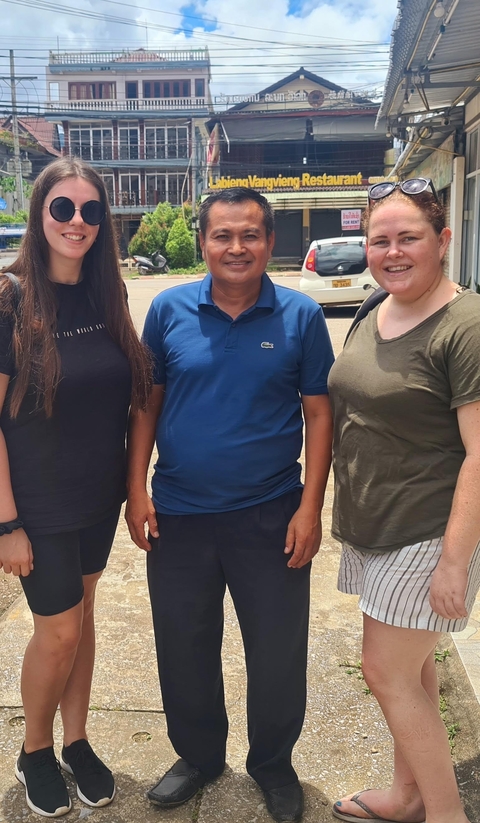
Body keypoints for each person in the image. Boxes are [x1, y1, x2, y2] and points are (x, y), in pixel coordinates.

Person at [126, 187, 334, 823]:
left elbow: (320, 413)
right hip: (180, 514)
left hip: (271, 511)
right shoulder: (166, 310)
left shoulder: (301, 317)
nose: (236, 247)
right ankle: (198, 756)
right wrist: (135, 487)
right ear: (204, 243)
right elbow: (147, 404)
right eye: (222, 235)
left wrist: (310, 507)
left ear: (271, 242)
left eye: (249, 235)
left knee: (275, 649)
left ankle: (272, 763)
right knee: (183, 644)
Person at [0, 157, 151, 818]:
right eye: (64, 208)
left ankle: (77, 739)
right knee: (57, 631)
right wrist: (6, 522)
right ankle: (34, 748)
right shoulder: (8, 299)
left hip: (96, 497)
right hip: (37, 504)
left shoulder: (105, 293)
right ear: (40, 214)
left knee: (82, 620)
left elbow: (132, 390)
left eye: (92, 210)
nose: (79, 222)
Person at [328, 177, 480, 823]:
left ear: (442, 241)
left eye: (408, 238)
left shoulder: (465, 323)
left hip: (428, 529)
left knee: (384, 669)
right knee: (411, 671)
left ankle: (446, 815)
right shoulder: (374, 304)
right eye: (379, 239)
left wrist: (454, 561)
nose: (393, 251)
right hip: (375, 524)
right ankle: (408, 794)